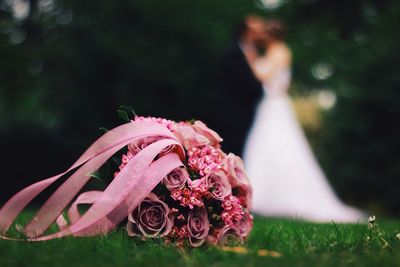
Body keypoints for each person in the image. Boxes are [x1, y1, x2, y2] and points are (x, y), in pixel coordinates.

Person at [243, 20, 364, 222]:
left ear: (270, 36)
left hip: (275, 105)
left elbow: (263, 76)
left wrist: (251, 58)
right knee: (269, 146)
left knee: (276, 146)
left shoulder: (278, 52)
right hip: (273, 104)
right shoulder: (281, 51)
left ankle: (273, 197)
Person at [217, 15, 266, 156]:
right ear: (247, 31)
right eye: (257, 30)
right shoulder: (232, 53)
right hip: (234, 115)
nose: (260, 34)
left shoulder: (261, 54)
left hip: (255, 112)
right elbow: (243, 83)